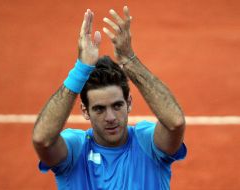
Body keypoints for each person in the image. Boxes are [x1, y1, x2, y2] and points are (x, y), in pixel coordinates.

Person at [32, 6, 187, 190]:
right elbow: (43, 140)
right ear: (85, 111)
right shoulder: (75, 149)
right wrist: (80, 70)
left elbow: (175, 123)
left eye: (117, 105)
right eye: (99, 109)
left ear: (128, 103)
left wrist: (129, 60)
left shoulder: (148, 144)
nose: (111, 117)